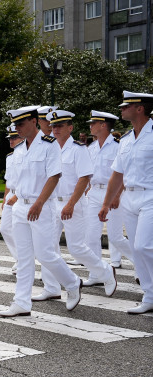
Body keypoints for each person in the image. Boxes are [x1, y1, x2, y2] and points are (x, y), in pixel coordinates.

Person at [0, 106, 82, 317]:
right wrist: (16, 199)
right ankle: (21, 302)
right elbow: (16, 182)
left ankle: (73, 283)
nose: (17, 128)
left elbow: (54, 176)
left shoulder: (48, 145)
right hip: (21, 207)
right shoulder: (18, 151)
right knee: (24, 258)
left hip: (41, 207)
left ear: (34, 121)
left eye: (21, 123)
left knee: (45, 254)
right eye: (15, 124)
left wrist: (39, 203)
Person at [34, 110, 116, 302]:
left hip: (74, 203)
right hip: (53, 203)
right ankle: (51, 287)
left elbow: (84, 178)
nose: (55, 130)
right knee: (47, 247)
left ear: (70, 128)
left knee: (77, 248)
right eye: (53, 126)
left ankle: (106, 272)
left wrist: (70, 204)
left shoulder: (79, 149)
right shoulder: (49, 148)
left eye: (60, 126)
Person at [99, 91, 153, 314]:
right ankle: (149, 296)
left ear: (139, 108)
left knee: (143, 245)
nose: (121, 110)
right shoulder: (127, 139)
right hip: (129, 198)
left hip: (151, 195)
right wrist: (106, 202)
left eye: (125, 106)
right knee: (136, 248)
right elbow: (117, 174)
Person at [84, 110, 134, 289]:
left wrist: (117, 195)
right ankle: (96, 273)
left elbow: (123, 173)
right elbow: (89, 173)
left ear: (103, 125)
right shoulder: (91, 147)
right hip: (94, 193)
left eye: (93, 123)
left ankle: (142, 265)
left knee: (116, 237)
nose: (90, 126)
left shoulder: (118, 145)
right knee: (90, 236)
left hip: (112, 193)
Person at [0, 125, 25, 274]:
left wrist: (17, 196)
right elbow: (8, 180)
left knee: (19, 230)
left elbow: (26, 179)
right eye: (10, 138)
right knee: (5, 228)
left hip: (21, 195)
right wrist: (5, 198)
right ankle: (19, 258)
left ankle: (23, 261)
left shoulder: (25, 155)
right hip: (11, 194)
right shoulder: (9, 157)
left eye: (14, 137)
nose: (11, 140)